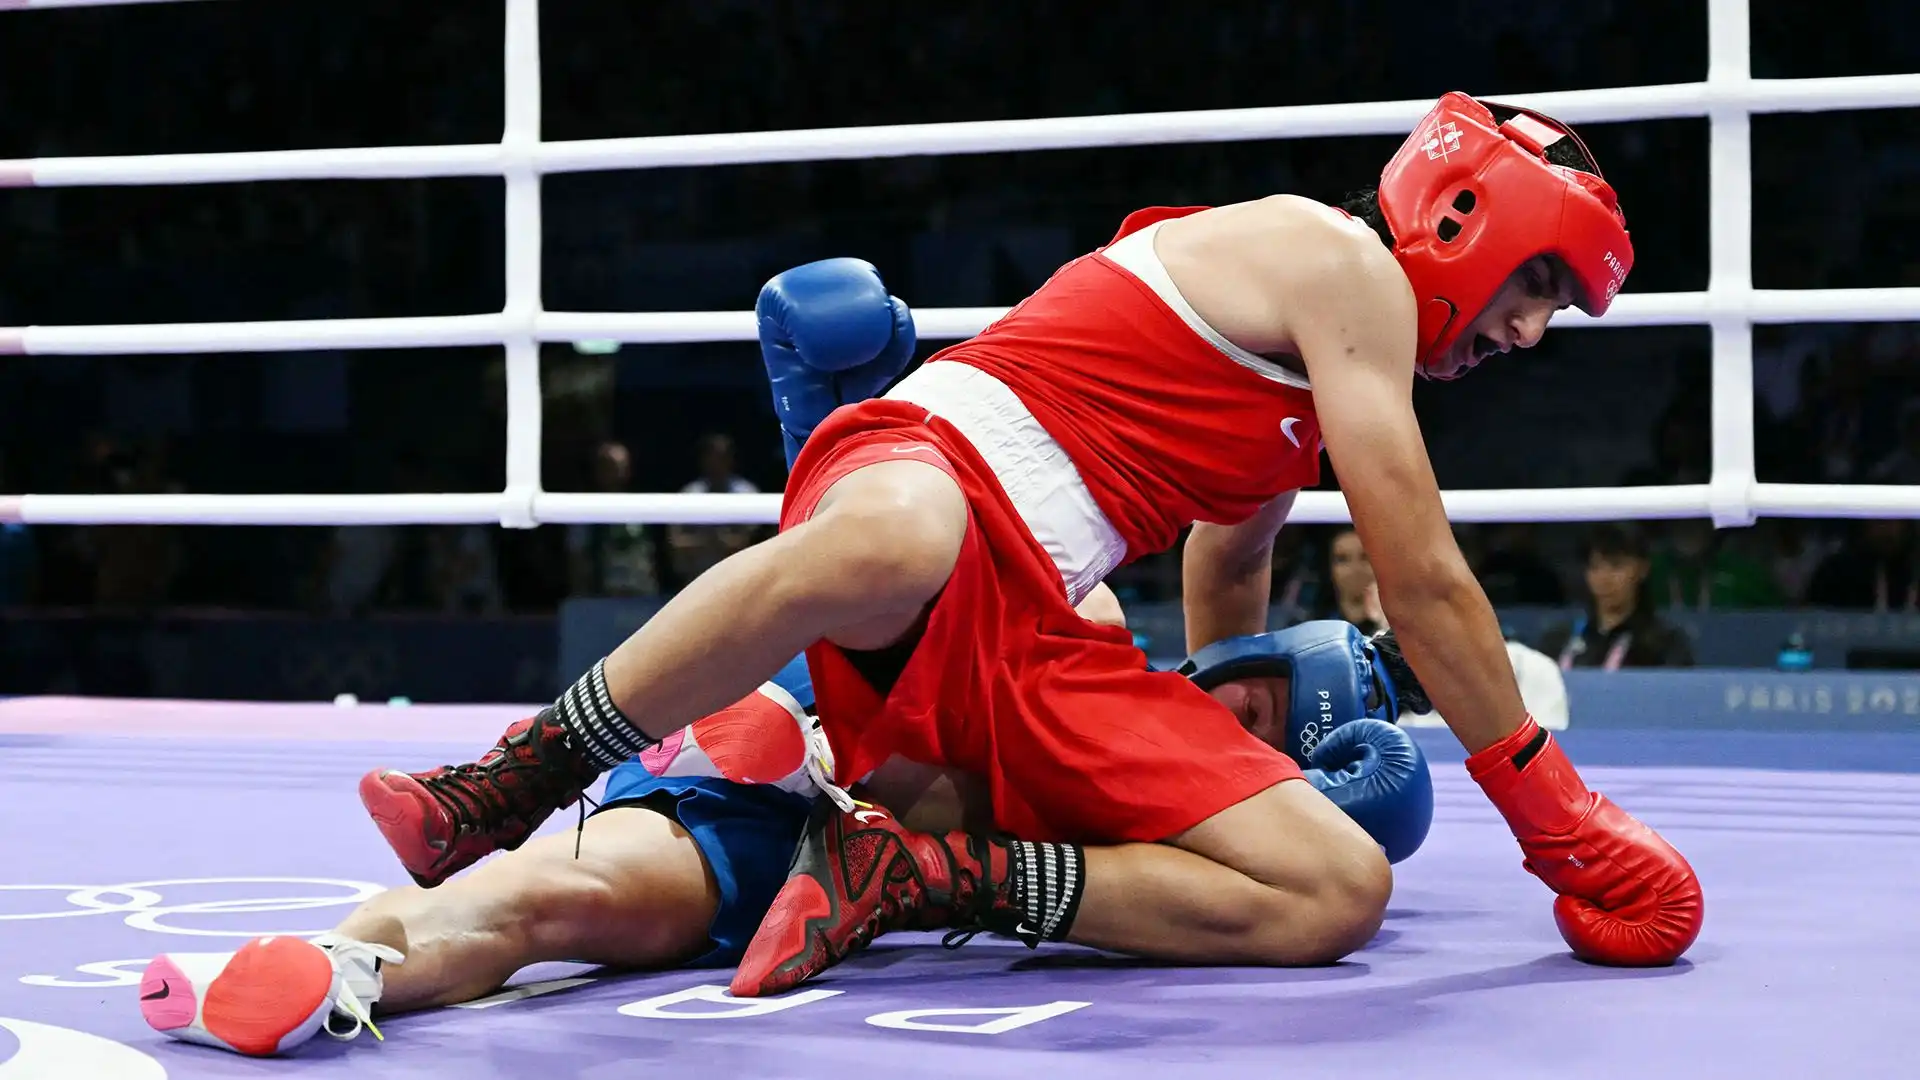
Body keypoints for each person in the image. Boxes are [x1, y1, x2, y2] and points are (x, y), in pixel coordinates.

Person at [358, 93, 1702, 998]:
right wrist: (1558, 825)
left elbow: (1231, 575)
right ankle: (510, 779)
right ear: (1469, 220)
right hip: (928, 470)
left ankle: (924, 874)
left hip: (1035, 625)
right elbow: (1421, 578)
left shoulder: (1302, 401)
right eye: (1538, 286)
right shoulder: (1336, 262)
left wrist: (1222, 723)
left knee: (1335, 888)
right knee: (894, 541)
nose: (1529, 332)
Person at [142, 297, 1435, 1060]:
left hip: (820, 866)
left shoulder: (1203, 835)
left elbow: (1286, 886)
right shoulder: (1079, 611)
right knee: (547, 878)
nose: (1231, 717)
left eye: (1261, 735)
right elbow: (1204, 556)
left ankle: (341, 980)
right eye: (1247, 690)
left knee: (563, 910)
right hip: (785, 757)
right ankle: (344, 948)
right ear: (1238, 659)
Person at [1539, 523, 1694, 669]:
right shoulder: (1558, 640)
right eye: (1595, 567)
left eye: (1616, 566)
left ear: (1642, 569)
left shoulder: (1665, 645)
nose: (1604, 579)